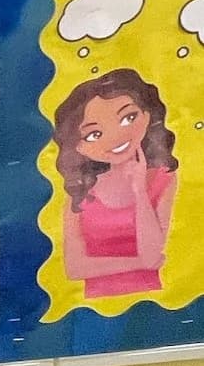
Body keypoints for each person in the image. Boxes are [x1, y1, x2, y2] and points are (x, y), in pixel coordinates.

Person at [52, 69, 179, 299]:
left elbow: (152, 254)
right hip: (95, 308)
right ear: (79, 146)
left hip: (153, 304)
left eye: (128, 118)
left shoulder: (163, 178)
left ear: (148, 116)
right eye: (94, 134)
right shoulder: (79, 192)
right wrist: (140, 262)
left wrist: (140, 191)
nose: (116, 137)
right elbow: (74, 268)